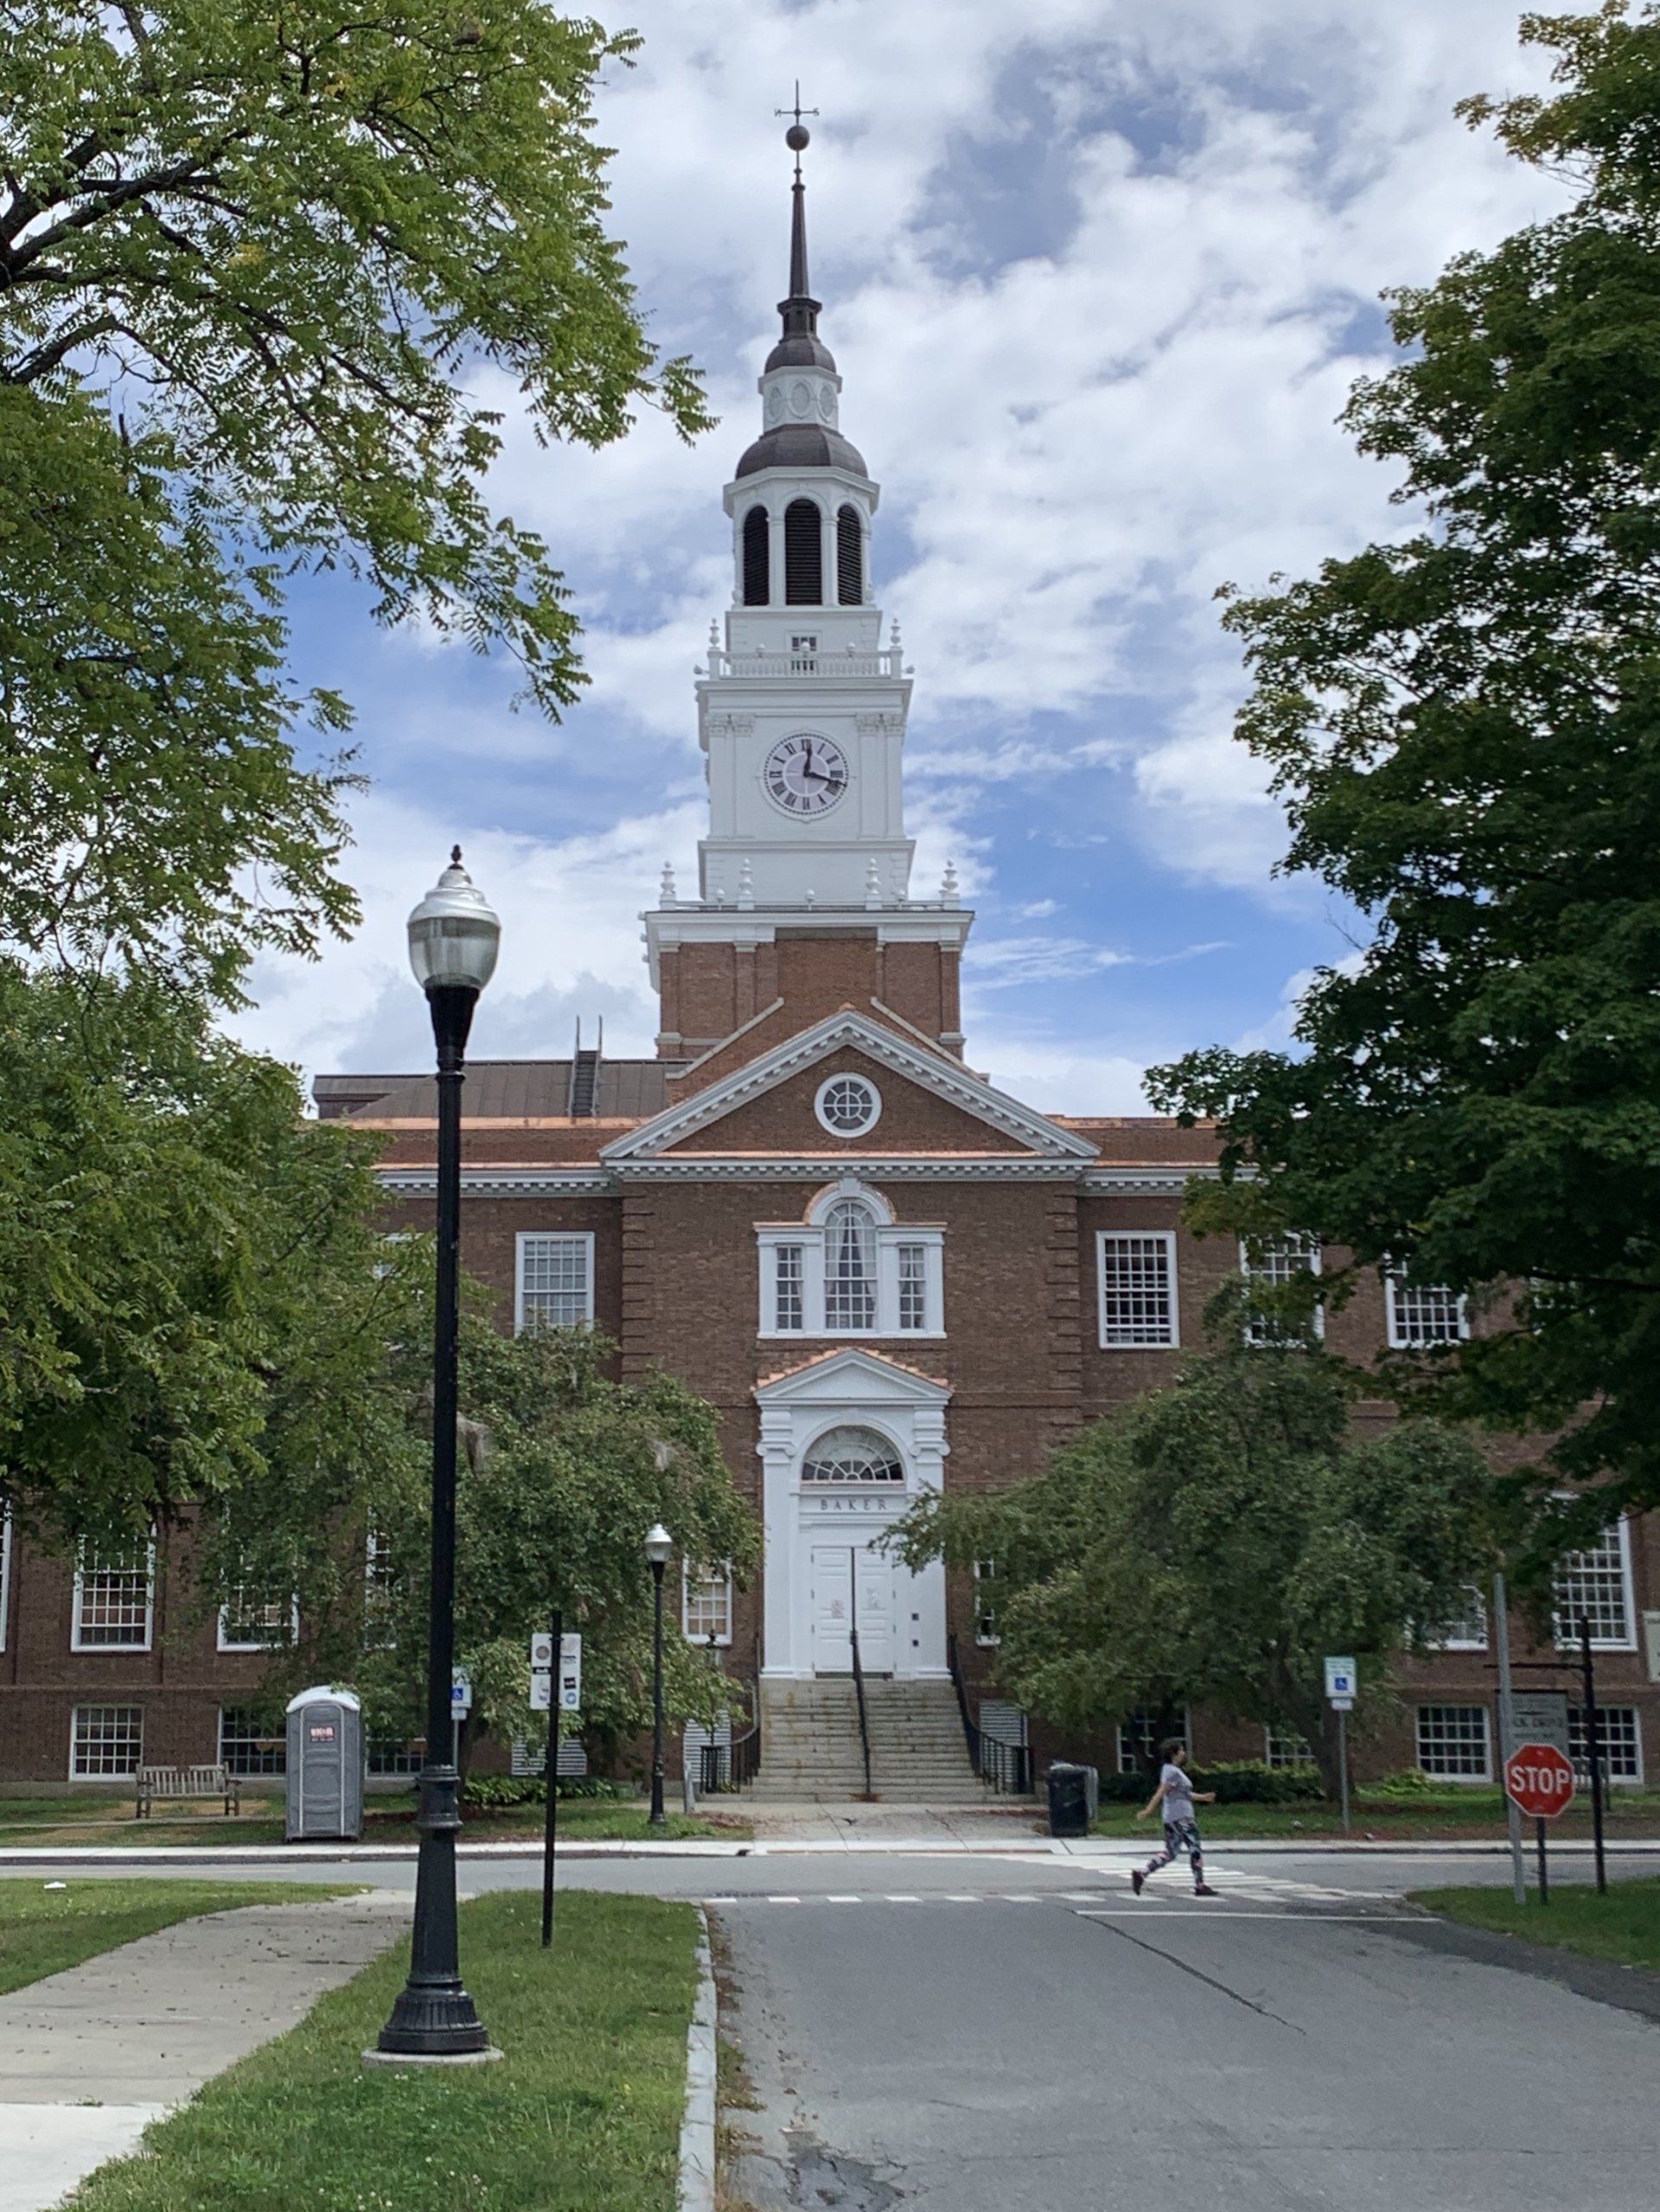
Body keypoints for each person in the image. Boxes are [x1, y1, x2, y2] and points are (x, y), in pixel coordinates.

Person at [1131, 1738, 1219, 1896]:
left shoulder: (1171, 1771)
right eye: (1181, 1750)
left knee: (1170, 1852)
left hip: (1171, 1818)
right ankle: (1200, 1885)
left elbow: (1184, 1794)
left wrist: (1204, 1797)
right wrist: (1148, 1810)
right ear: (1174, 1754)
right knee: (1195, 1849)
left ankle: (1142, 1873)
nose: (1184, 1753)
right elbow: (1162, 1791)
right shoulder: (1172, 1771)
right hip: (1183, 1818)